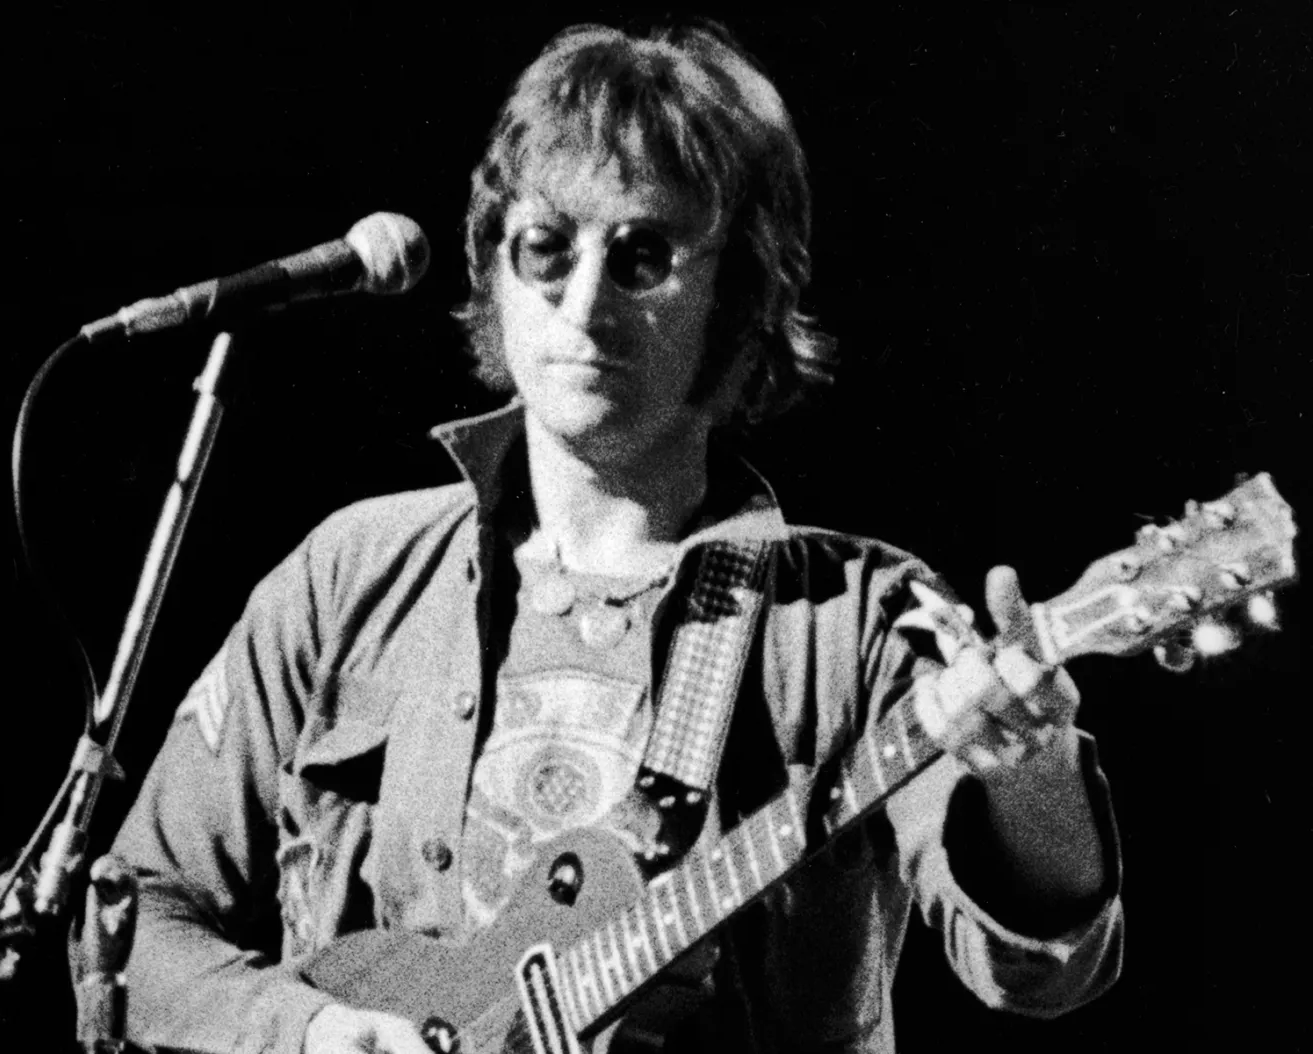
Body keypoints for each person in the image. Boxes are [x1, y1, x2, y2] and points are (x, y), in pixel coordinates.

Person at [101, 18, 1122, 1054]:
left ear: (738, 295)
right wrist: (311, 1031)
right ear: (495, 267)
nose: (583, 303)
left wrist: (1033, 776)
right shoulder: (349, 576)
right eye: (546, 247)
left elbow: (1043, 970)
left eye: (643, 257)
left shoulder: (853, 617)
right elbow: (132, 922)